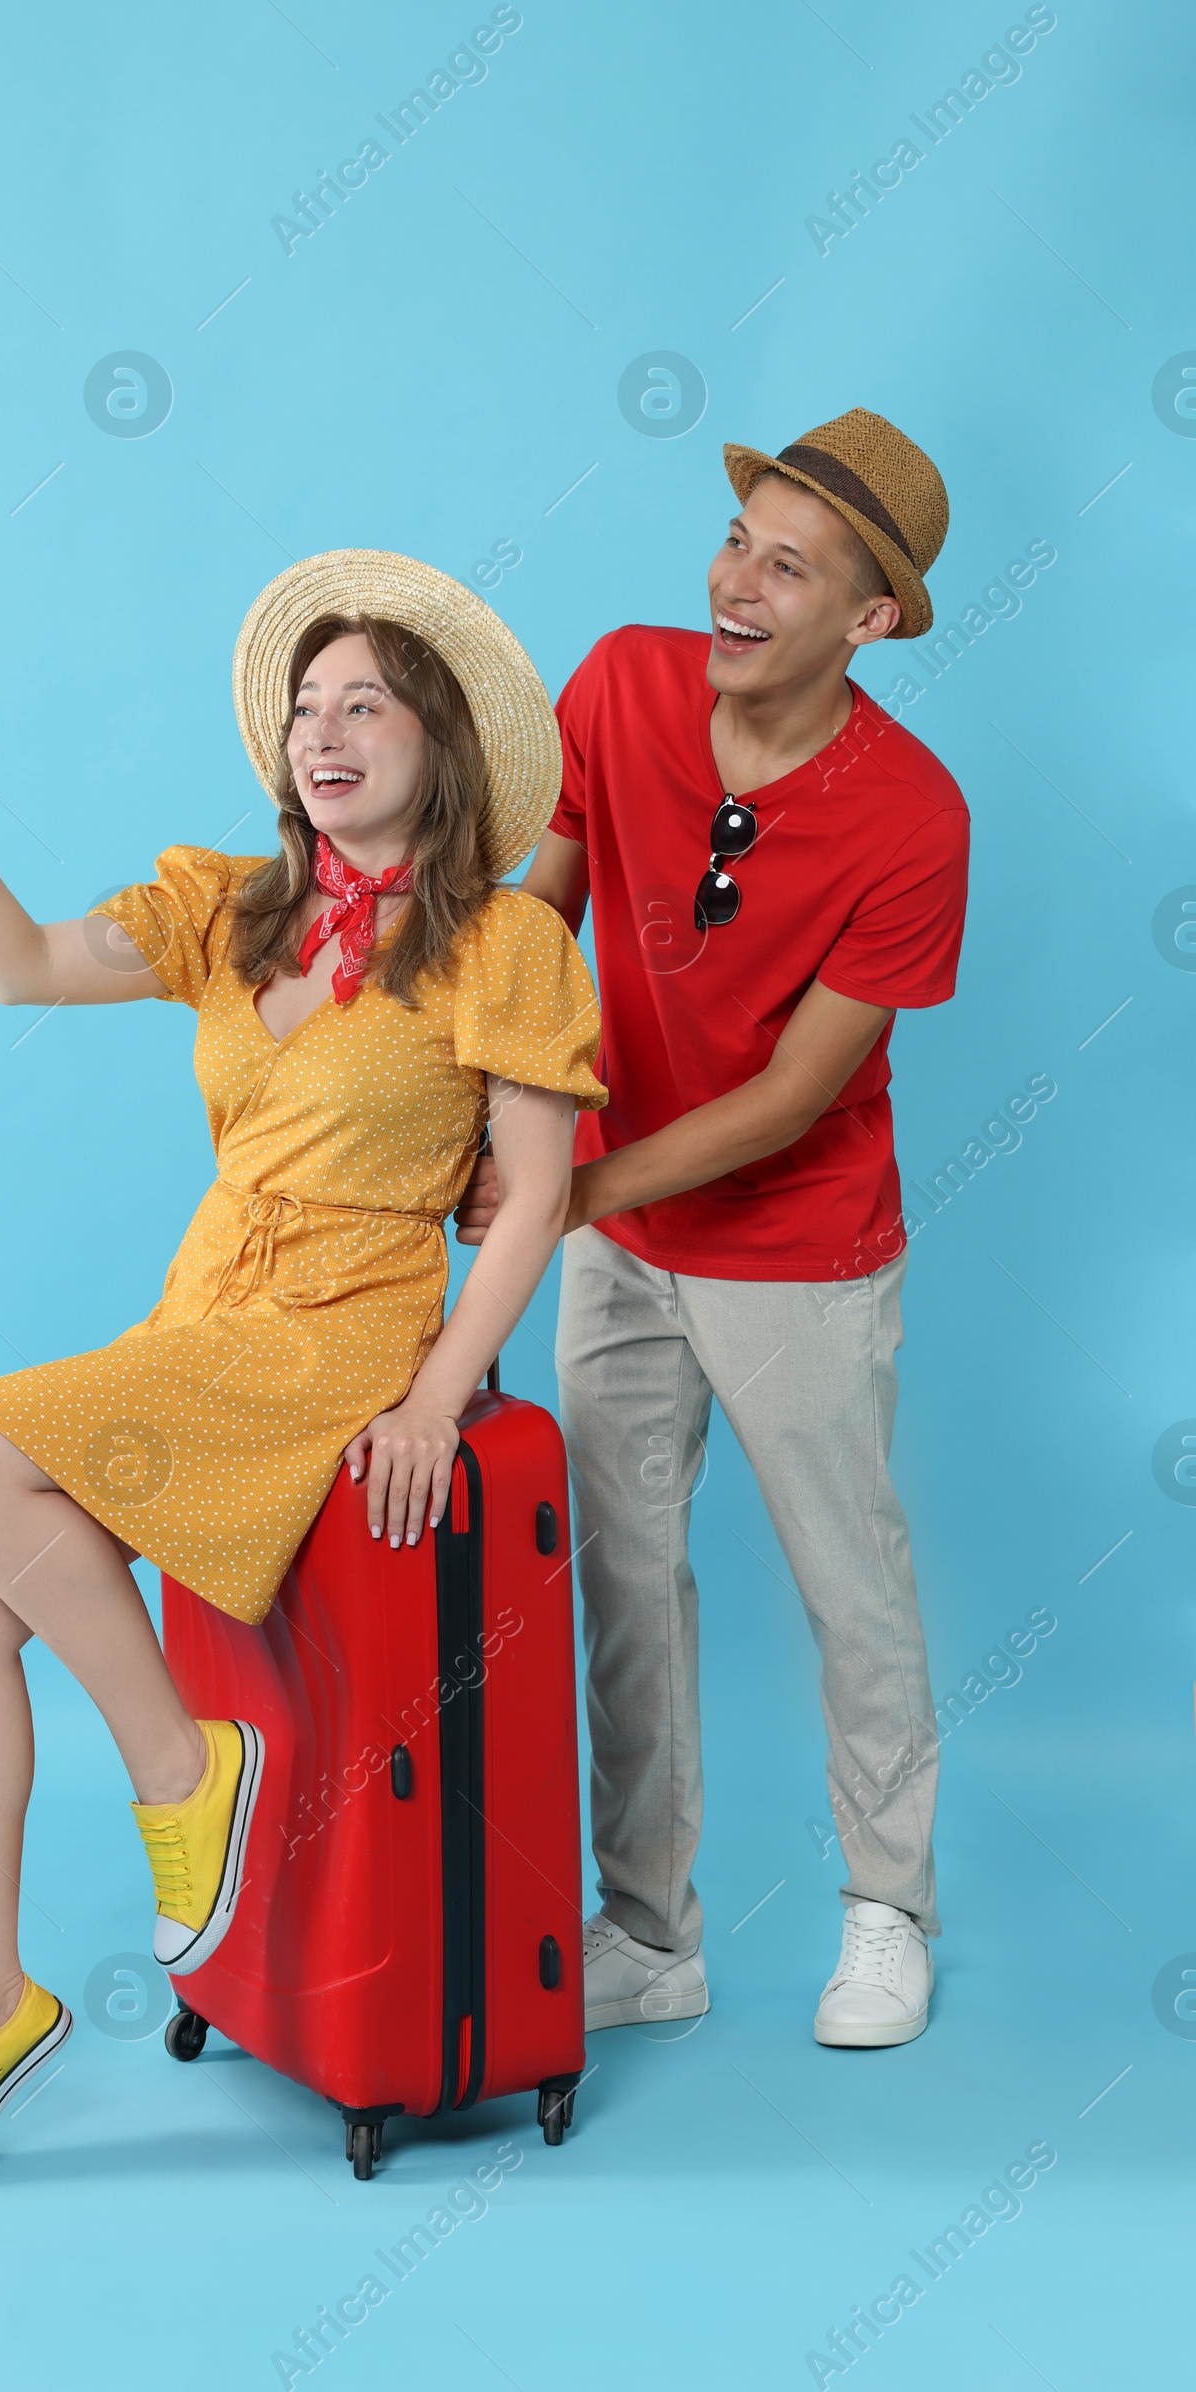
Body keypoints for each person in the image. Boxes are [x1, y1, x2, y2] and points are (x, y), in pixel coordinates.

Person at [0, 549, 605, 2188]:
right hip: (209, 1316)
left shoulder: (507, 948)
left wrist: (438, 1392)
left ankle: (185, 1780)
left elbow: (537, 1192)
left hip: (347, 1335)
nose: (323, 733)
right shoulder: (228, 903)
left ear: (441, 744)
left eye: (367, 706)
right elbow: (21, 967)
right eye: (303, 708)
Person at [457, 409, 968, 2047]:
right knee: (619, 1578)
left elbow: (798, 1096)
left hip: (801, 1254)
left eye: (786, 565)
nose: (734, 583)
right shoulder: (616, 682)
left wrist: (568, 1192)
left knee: (851, 1589)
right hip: (617, 1241)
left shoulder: (914, 817)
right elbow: (543, 901)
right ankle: (650, 1934)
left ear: (867, 618)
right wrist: (472, 1093)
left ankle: (889, 1907)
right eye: (738, 541)